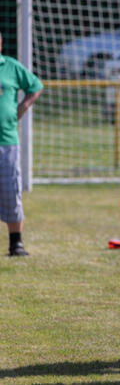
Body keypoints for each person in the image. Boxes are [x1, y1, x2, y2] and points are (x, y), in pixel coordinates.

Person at [0, 32, 43, 257]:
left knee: (10, 190)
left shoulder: (11, 67)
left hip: (6, 141)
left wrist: (22, 108)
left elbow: (35, 85)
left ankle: (15, 243)